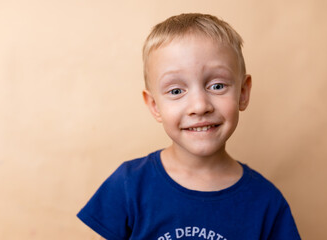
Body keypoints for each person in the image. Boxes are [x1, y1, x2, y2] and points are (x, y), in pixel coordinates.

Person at [77, 13, 301, 240]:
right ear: (155, 105)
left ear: (243, 93)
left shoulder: (267, 202)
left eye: (217, 85)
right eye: (176, 91)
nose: (200, 106)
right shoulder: (127, 185)